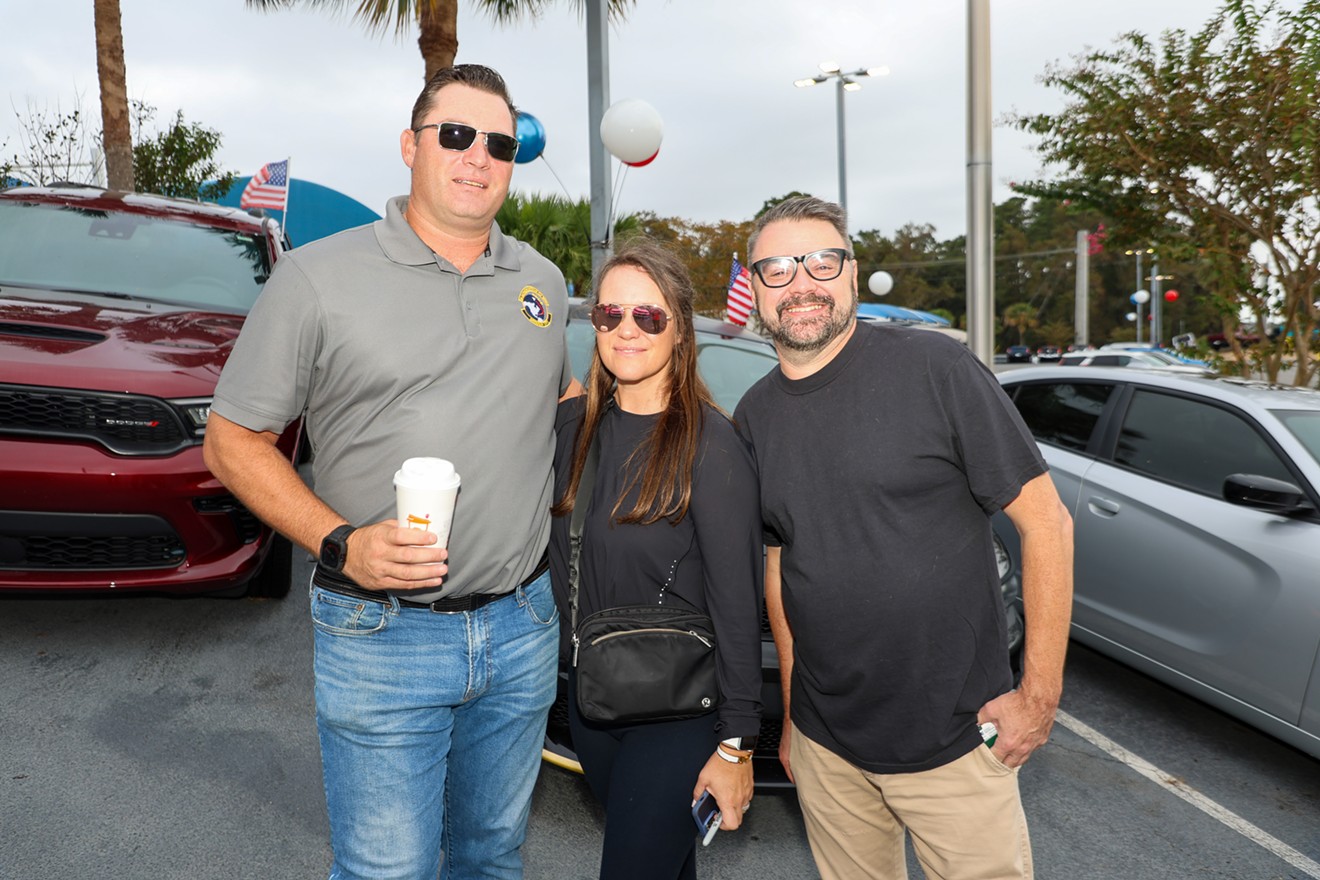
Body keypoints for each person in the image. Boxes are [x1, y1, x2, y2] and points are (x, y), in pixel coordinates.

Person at [202, 64, 577, 880]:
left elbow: (567, 410)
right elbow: (231, 441)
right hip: (381, 635)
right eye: (457, 135)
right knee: (387, 870)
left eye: (502, 144)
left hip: (522, 628)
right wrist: (338, 543)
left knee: (492, 857)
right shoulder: (317, 278)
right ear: (411, 146)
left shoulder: (541, 284)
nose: (479, 157)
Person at [732, 196, 1074, 880]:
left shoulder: (935, 369)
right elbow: (781, 568)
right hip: (829, 749)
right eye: (777, 268)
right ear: (754, 292)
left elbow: (1047, 524)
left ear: (853, 275)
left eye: (820, 261)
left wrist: (1038, 698)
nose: (800, 282)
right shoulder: (755, 415)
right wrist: (796, 717)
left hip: (955, 741)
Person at [547, 239, 763, 880]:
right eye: (610, 315)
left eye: (649, 316)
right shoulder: (573, 432)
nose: (626, 330)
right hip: (593, 708)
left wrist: (736, 744)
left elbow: (736, 600)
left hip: (679, 716)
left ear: (680, 330)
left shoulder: (712, 444)